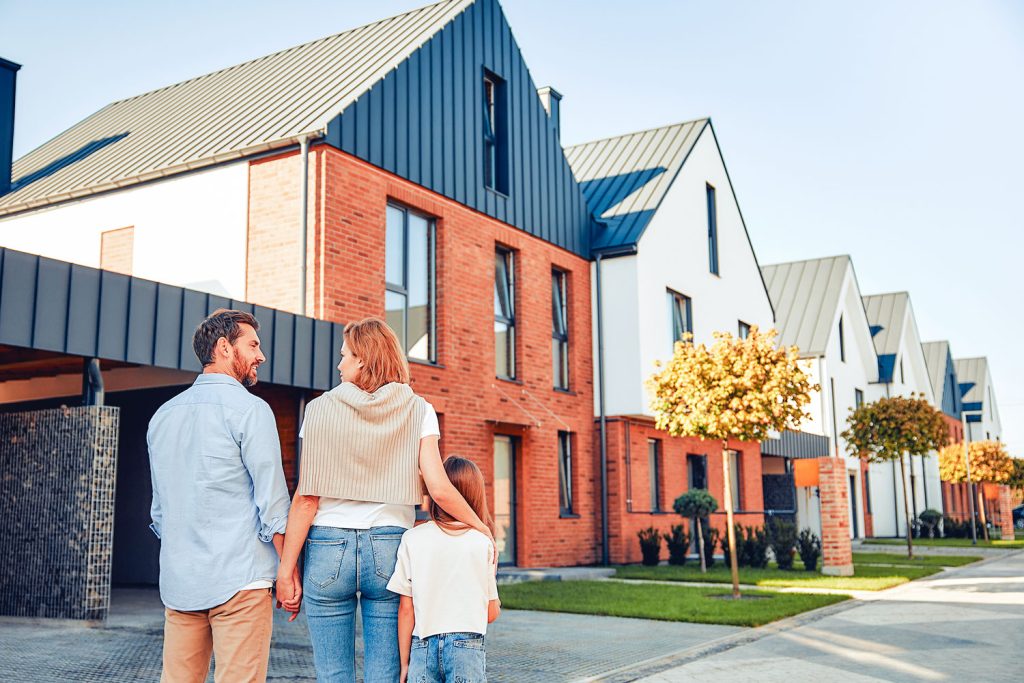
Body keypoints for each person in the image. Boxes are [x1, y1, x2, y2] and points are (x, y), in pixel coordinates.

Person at [275, 317, 494, 683]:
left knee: (332, 674)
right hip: (390, 547)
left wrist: (286, 571)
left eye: (344, 356)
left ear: (362, 359)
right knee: (387, 674)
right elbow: (438, 487)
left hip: (328, 546)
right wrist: (481, 526)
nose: (339, 363)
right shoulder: (418, 409)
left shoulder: (318, 410)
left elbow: (306, 498)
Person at [148, 308, 294, 683]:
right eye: (253, 345)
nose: (261, 355)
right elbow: (273, 505)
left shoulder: (162, 416)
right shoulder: (250, 410)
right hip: (241, 581)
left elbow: (161, 513)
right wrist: (288, 571)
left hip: (180, 583)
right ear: (225, 347)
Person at [388, 456, 501, 683]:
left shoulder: (412, 538)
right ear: (476, 495)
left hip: (422, 646)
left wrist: (404, 663)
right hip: (467, 648)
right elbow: (490, 613)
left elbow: (406, 610)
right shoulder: (482, 542)